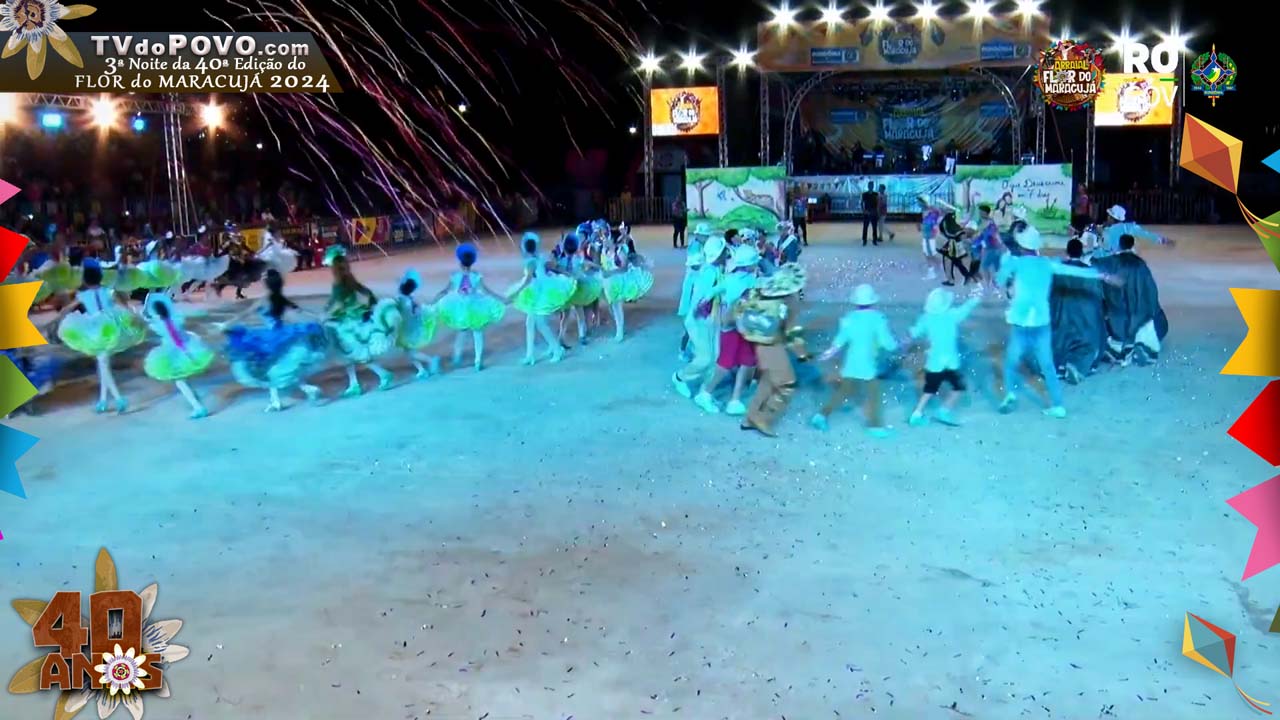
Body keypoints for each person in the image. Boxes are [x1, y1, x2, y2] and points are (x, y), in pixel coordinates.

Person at [995, 226, 1118, 418]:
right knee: (1048, 366)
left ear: (1020, 246)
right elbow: (1073, 271)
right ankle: (1058, 405)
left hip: (1020, 323)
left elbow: (999, 281)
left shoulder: (1015, 263)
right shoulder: (1047, 264)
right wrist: (1103, 275)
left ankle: (1010, 395)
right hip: (1041, 323)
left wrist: (1004, 264)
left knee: (1011, 362)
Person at [219, 269, 328, 412]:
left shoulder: (264, 300)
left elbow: (244, 314)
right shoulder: (280, 298)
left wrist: (226, 324)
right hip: (282, 335)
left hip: (270, 339)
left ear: (267, 283)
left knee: (273, 370)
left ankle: (304, 391)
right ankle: (279, 399)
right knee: (279, 370)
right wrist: (318, 316)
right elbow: (299, 310)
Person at [48, 260, 146, 414]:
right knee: (103, 365)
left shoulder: (82, 295)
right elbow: (124, 307)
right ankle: (103, 401)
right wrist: (135, 317)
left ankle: (118, 399)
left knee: (103, 365)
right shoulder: (109, 290)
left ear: (85, 279)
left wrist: (57, 319)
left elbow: (67, 308)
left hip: (94, 331)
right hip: (111, 329)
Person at [811, 284, 897, 438]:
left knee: (845, 390)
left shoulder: (849, 318)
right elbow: (887, 342)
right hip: (868, 362)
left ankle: (821, 415)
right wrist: (897, 346)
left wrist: (827, 354)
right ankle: (875, 425)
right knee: (874, 393)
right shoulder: (878, 318)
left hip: (852, 362)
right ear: (872, 301)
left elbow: (839, 341)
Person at [737, 263, 808, 436]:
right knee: (787, 384)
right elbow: (792, 332)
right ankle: (764, 418)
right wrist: (802, 354)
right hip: (774, 347)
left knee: (767, 381)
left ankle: (750, 417)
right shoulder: (789, 302)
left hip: (759, 343)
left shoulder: (761, 293)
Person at [323, 246, 402, 395]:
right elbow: (366, 292)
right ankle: (354, 383)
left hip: (349, 321)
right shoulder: (350, 278)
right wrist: (372, 302)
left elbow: (339, 303)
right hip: (357, 314)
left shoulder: (338, 284)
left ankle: (382, 374)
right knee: (348, 355)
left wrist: (328, 313)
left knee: (352, 353)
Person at [693, 244, 760, 416]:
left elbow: (714, 290)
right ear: (749, 264)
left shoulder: (733, 278)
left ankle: (735, 400)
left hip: (738, 325)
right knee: (726, 363)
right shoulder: (749, 281)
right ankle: (705, 393)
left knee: (747, 360)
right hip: (736, 325)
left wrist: (704, 302)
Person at [906, 288, 980, 427]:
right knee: (958, 387)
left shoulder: (926, 318)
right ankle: (944, 410)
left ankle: (917, 414)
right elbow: (965, 309)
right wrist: (975, 299)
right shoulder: (951, 315)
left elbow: (915, 332)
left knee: (930, 390)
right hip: (950, 362)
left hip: (934, 362)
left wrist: (907, 339)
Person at [1093, 233, 1168, 366]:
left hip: (1117, 314)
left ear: (1119, 245)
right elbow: (1151, 291)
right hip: (1140, 314)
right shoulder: (1141, 265)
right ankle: (1140, 346)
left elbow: (1092, 265)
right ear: (1133, 246)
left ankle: (1119, 348)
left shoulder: (1110, 261)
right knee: (1154, 326)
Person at [432, 243, 506, 371]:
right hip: (475, 306)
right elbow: (486, 291)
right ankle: (478, 361)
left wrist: (434, 300)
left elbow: (445, 290)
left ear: (460, 262)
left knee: (461, 332)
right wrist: (500, 298)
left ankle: (457, 358)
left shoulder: (455, 276)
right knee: (477, 333)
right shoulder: (476, 276)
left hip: (460, 307)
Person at [140, 292, 214, 419]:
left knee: (180, 381)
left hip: (176, 352)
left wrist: (187, 354)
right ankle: (196, 401)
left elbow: (176, 340)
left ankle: (198, 407)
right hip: (183, 347)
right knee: (182, 381)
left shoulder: (161, 324)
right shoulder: (174, 319)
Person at [672, 235, 728, 399]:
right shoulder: (708, 273)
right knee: (705, 358)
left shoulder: (717, 269)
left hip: (712, 319)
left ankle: (705, 392)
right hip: (699, 320)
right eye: (724, 250)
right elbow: (700, 300)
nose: (726, 252)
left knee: (716, 357)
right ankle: (680, 377)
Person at [508, 231, 576, 364]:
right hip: (539, 291)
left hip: (540, 293)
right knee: (530, 323)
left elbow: (527, 280)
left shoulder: (531, 262)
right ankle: (530, 355)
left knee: (541, 323)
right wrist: (567, 274)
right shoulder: (540, 257)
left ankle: (557, 349)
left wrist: (515, 293)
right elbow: (554, 267)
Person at [1050, 238, 1106, 384]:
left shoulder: (1057, 271)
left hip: (1060, 317)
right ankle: (1077, 365)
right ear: (1081, 253)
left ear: (1067, 252)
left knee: (1057, 339)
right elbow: (1098, 296)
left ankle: (1059, 366)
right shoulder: (1089, 272)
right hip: (1084, 318)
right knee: (1092, 340)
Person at [600, 223, 654, 342]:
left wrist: (610, 273)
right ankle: (619, 327)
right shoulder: (604, 250)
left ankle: (619, 332)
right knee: (611, 307)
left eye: (608, 238)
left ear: (613, 241)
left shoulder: (620, 252)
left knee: (616, 306)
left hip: (619, 281)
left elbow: (624, 268)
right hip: (608, 282)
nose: (605, 240)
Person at [393, 269, 443, 380]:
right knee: (409, 351)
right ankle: (421, 370)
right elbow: (417, 313)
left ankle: (431, 360)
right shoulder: (411, 299)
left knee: (410, 352)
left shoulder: (400, 300)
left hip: (407, 329)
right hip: (410, 327)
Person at [558, 233, 603, 346]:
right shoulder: (577, 259)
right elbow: (588, 263)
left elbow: (556, 269)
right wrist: (599, 267)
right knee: (580, 314)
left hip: (566, 291)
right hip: (578, 290)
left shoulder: (561, 261)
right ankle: (582, 336)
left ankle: (561, 336)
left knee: (565, 316)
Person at [1098, 205, 1174, 257]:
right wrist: (1162, 240)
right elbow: (1146, 235)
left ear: (1112, 218)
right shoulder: (1128, 227)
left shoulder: (1107, 230)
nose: (1107, 217)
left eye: (1109, 216)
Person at [967, 204, 1004, 294]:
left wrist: (1000, 244)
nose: (979, 213)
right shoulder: (983, 223)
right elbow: (981, 236)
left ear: (985, 213)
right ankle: (993, 286)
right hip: (990, 248)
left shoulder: (990, 224)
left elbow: (994, 235)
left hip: (993, 249)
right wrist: (974, 242)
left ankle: (992, 286)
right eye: (979, 211)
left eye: (981, 212)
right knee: (991, 267)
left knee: (987, 266)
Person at [917, 195, 949, 281]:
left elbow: (941, 214)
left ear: (924, 202)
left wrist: (936, 225)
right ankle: (934, 270)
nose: (918, 204)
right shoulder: (924, 210)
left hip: (930, 235)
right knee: (927, 253)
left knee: (930, 254)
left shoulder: (932, 210)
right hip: (926, 234)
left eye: (919, 202)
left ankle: (939, 269)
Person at [861, 181, 880, 246]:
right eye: (870, 185)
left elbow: (878, 203)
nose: (871, 187)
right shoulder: (864, 194)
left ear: (873, 186)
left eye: (872, 185)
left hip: (874, 212)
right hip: (867, 212)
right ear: (868, 186)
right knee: (865, 227)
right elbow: (862, 203)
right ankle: (864, 240)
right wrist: (863, 210)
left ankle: (874, 240)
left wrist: (877, 211)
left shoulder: (876, 194)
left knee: (874, 227)